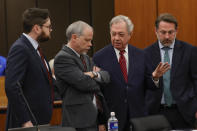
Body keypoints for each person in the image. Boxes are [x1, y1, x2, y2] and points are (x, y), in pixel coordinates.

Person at [92, 15, 169, 131]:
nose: (116, 38)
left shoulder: (141, 55)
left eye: (121, 34)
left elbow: (151, 86)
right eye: (113, 34)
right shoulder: (99, 57)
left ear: (130, 34)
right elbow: (97, 94)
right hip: (113, 118)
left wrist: (155, 77)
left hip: (138, 117)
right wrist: (100, 121)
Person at [54, 21, 110, 131]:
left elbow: (106, 76)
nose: (90, 44)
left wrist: (93, 74)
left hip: (95, 117)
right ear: (74, 37)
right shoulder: (63, 58)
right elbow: (84, 84)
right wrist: (95, 78)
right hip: (78, 120)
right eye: (87, 40)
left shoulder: (85, 57)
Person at [144, 13, 197, 129]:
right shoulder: (145, 54)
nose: (167, 36)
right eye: (163, 32)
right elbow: (143, 83)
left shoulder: (190, 51)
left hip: (184, 111)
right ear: (156, 31)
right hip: (156, 111)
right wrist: (155, 77)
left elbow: (195, 80)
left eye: (171, 32)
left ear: (176, 31)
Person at [5, 8, 53, 130]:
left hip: (39, 120)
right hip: (27, 124)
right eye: (48, 26)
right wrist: (25, 121)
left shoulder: (35, 48)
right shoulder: (20, 48)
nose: (51, 30)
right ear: (37, 28)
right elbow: (12, 87)